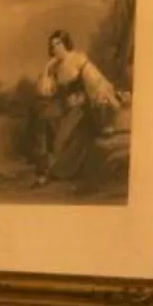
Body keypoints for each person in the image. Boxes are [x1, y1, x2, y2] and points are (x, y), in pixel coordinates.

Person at [28, 29, 126, 194]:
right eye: (52, 46)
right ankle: (43, 167)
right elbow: (44, 91)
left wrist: (103, 98)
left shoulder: (79, 60)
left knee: (65, 138)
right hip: (65, 107)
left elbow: (96, 82)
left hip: (82, 109)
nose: (55, 48)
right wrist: (46, 68)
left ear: (65, 43)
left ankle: (52, 171)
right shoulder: (54, 66)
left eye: (58, 44)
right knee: (41, 116)